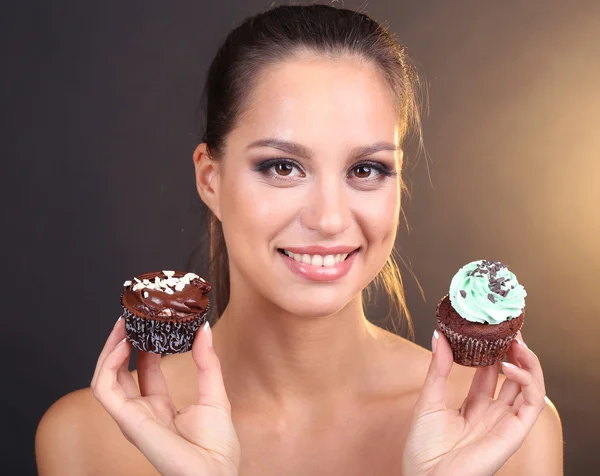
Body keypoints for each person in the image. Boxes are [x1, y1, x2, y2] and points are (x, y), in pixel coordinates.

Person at [35, 4, 563, 475]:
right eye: (282, 166)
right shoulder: (88, 437)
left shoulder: (507, 429)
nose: (330, 218)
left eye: (366, 169)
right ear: (210, 179)